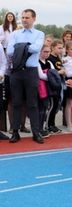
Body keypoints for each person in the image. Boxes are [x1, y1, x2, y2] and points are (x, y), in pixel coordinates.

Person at [6, 9, 44, 144]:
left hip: (31, 71)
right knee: (16, 102)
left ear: (34, 19)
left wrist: (20, 47)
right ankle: (15, 132)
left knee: (32, 103)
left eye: (27, 17)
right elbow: (10, 51)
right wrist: (27, 46)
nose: (24, 20)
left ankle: (36, 132)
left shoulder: (39, 34)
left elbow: (36, 49)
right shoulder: (15, 34)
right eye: (22, 17)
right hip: (16, 72)